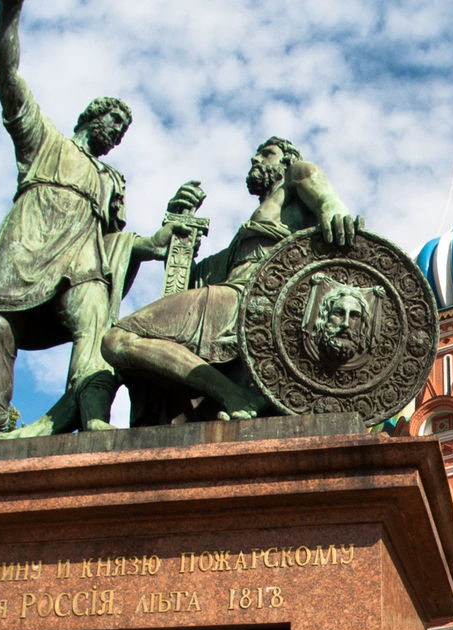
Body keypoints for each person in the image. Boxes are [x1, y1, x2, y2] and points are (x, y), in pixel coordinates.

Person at [0, 0, 199, 436]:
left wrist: (164, 235)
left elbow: (118, 245)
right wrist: (9, 12)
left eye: (122, 130)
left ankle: (91, 416)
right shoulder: (43, 140)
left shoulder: (110, 181)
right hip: (28, 252)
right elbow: (6, 77)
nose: (116, 133)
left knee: (96, 321)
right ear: (90, 117)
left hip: (81, 266)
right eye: (112, 122)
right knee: (4, 330)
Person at [103, 136, 361, 423]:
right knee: (119, 343)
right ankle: (231, 392)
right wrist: (180, 226)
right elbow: (198, 277)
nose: (256, 160)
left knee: (118, 338)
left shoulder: (296, 173)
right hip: (232, 293)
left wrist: (334, 209)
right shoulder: (261, 224)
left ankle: (232, 394)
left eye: (267, 154)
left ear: (286, 161)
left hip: (246, 298)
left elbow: (326, 198)